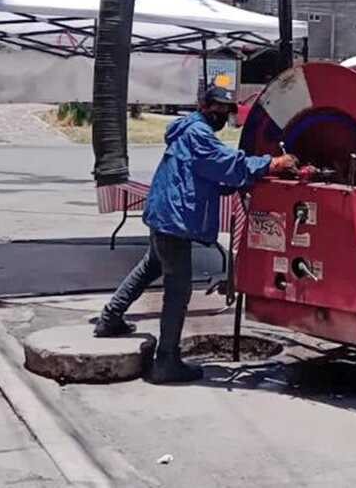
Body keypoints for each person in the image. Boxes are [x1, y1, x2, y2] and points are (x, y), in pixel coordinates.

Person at [93, 85, 298, 383]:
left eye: (226, 111)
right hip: (174, 219)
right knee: (178, 289)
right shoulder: (198, 134)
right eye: (218, 109)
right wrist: (272, 163)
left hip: (165, 212)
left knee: (151, 266)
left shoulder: (189, 129)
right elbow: (227, 164)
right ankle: (167, 361)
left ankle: (110, 318)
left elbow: (205, 174)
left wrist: (238, 181)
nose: (221, 116)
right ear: (205, 106)